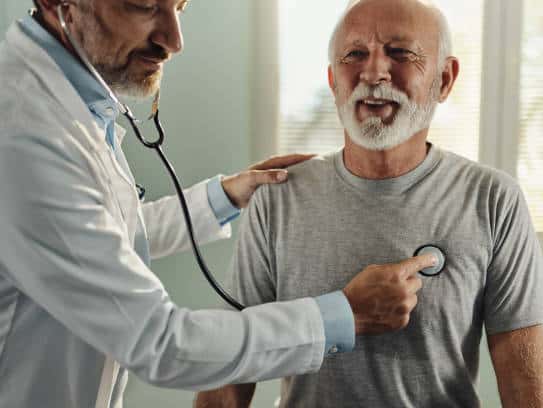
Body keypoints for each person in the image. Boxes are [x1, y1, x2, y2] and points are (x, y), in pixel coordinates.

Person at [0, 1, 439, 407]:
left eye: (179, 6)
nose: (173, 40)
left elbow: (90, 238)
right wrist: (344, 314)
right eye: (145, 5)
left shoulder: (73, 106)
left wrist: (226, 195)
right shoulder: (24, 134)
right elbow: (162, 344)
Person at [196, 0, 543, 407]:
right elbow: (231, 366)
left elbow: (524, 379)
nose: (372, 73)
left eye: (400, 53)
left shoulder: (493, 199)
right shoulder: (278, 198)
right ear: (333, 81)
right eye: (355, 55)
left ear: (444, 78)